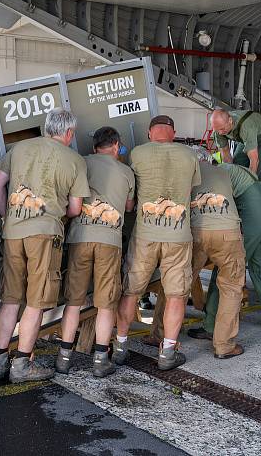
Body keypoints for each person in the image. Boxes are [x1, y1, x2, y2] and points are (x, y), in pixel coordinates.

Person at [0, 108, 90, 383]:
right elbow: (75, 208)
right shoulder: (75, 160)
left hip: (12, 232)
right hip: (45, 234)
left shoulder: (20, 149)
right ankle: (21, 365)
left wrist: (6, 215)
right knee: (36, 300)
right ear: (69, 133)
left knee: (10, 298)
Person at [114, 115, 200, 371]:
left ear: (150, 133)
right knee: (176, 295)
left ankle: (119, 346)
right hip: (178, 237)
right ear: (173, 133)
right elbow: (192, 192)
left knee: (131, 291)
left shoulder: (138, 154)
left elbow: (132, 190)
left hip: (145, 235)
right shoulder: (189, 155)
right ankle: (168, 352)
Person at [145, 147, 246, 359]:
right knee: (231, 288)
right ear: (208, 159)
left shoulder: (185, 172)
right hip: (228, 233)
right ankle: (224, 346)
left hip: (195, 231)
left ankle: (159, 334)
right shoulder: (224, 172)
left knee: (175, 283)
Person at [56, 127, 135, 378]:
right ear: (116, 146)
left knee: (73, 301)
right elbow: (129, 206)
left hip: (79, 238)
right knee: (106, 303)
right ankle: (101, 359)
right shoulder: (126, 172)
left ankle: (64, 357)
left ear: (94, 147)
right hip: (110, 242)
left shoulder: (81, 163)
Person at [188, 163, 261, 338]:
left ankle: (211, 325)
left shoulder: (216, 174)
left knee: (225, 267)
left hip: (252, 216)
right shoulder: (233, 168)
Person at [211, 108, 261, 183]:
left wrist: (247, 184)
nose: (220, 133)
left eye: (222, 129)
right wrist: (229, 180)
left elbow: (254, 160)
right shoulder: (218, 129)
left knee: (259, 174)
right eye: (217, 130)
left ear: (230, 120)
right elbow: (226, 157)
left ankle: (260, 191)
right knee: (238, 165)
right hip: (245, 139)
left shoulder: (246, 127)